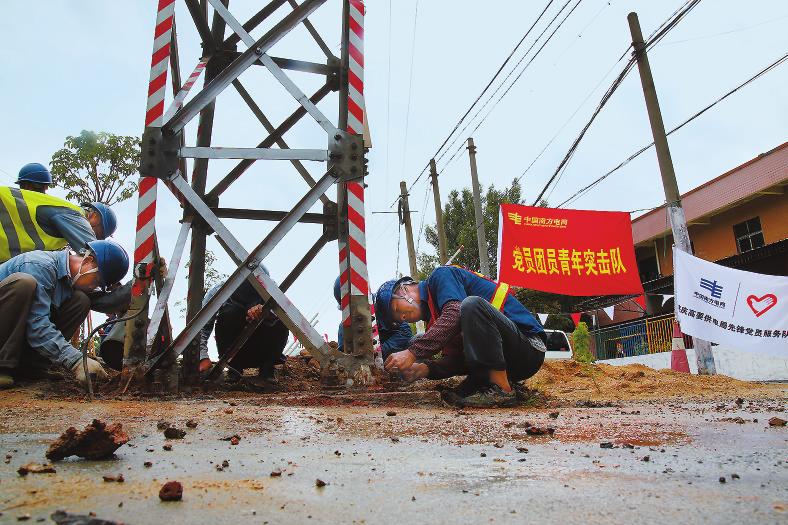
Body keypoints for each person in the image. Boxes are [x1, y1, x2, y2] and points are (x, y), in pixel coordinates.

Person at [375, 266, 547, 408]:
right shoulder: (436, 320)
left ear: (404, 289)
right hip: (511, 362)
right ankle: (486, 384)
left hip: (529, 347)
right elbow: (458, 361)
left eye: (396, 309)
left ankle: (501, 389)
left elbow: (455, 313)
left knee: (472, 305)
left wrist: (412, 353)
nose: (402, 318)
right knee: (423, 338)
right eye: (397, 320)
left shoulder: (440, 276)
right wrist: (425, 369)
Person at [0, 240, 130, 389]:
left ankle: (31, 367)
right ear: (88, 260)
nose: (93, 287)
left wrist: (139, 283)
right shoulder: (40, 266)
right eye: (97, 280)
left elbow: (107, 301)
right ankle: (3, 365)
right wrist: (76, 361)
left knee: (81, 301)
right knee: (24, 284)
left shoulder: (68, 281)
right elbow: (37, 326)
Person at [198, 265, 289, 384]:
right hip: (233, 348)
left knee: (281, 319)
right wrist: (202, 357)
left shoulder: (271, 288)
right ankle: (234, 370)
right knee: (229, 313)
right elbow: (202, 328)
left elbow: (286, 314)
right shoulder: (219, 291)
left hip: (261, 345)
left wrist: (266, 311)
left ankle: (267, 370)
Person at [1, 184, 117, 263]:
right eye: (97, 234)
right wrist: (114, 282)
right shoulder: (75, 215)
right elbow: (95, 254)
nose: (94, 236)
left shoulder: (63, 229)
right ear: (95, 216)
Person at [333, 276, 412, 360]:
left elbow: (405, 332)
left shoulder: (383, 303)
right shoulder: (344, 328)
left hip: (399, 358)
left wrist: (379, 352)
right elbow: (344, 356)